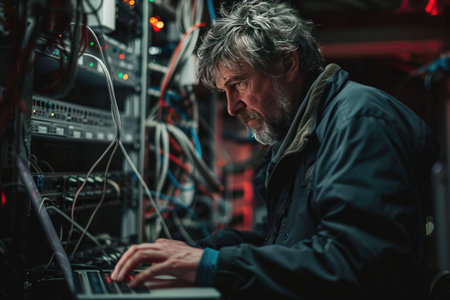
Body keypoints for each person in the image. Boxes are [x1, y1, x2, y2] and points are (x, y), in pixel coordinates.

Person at [111, 1, 440, 298]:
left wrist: (214, 264)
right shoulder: (300, 132)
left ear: (287, 64)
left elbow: (352, 264)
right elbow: (285, 245)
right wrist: (197, 252)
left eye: (238, 84)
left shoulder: (359, 122)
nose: (231, 107)